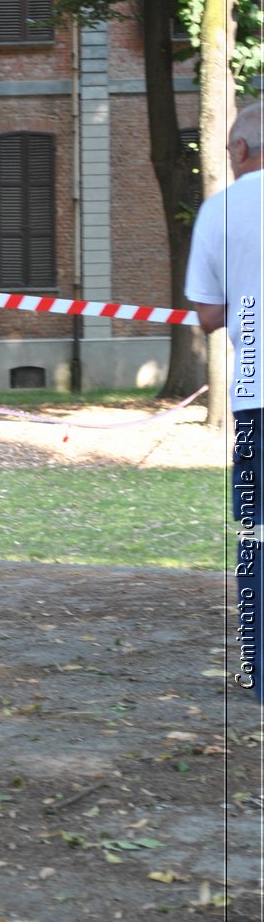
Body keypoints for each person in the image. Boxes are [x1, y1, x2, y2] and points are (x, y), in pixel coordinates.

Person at [186, 101, 264, 702]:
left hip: (255, 394)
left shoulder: (221, 209)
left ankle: (260, 674)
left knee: (257, 534)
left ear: (239, 151)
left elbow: (210, 314)